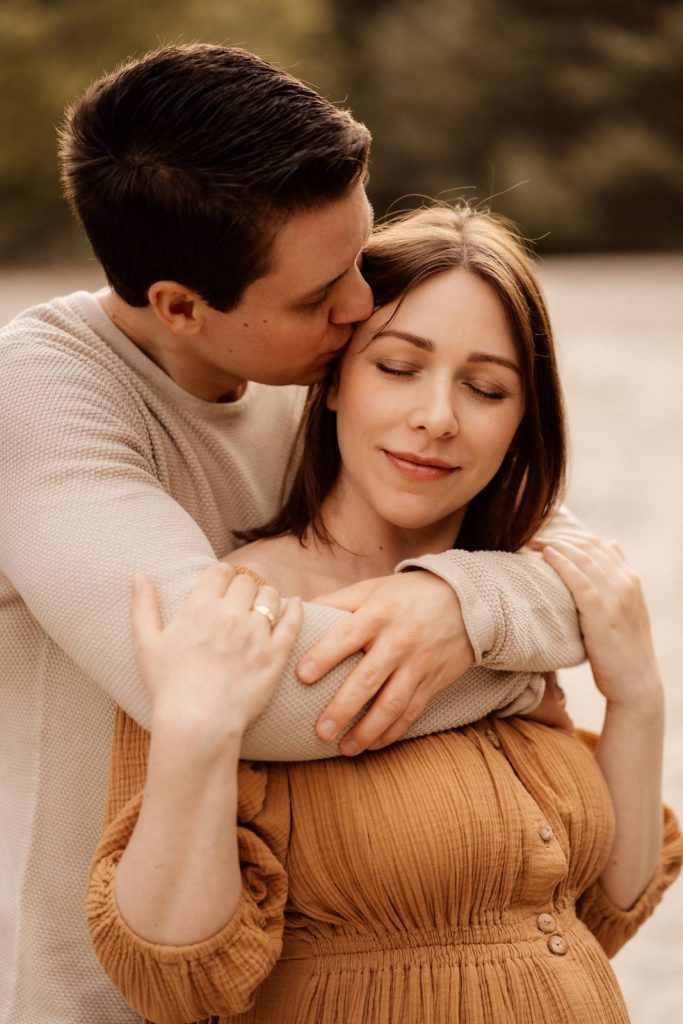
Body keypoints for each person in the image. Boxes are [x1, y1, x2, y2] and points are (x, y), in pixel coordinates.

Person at [0, 44, 587, 1024]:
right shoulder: (41, 396)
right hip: (95, 993)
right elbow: (249, 694)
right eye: (320, 296)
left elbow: (557, 553)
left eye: (357, 258)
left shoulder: (297, 363)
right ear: (180, 309)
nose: (360, 308)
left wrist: (466, 597)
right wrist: (501, 647)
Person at [87, 205, 682, 1023]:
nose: (438, 416)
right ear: (330, 384)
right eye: (399, 367)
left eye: (485, 388)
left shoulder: (507, 608)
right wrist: (195, 735)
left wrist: (637, 697)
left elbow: (602, 912)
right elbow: (176, 985)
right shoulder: (235, 608)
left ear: (520, 423)